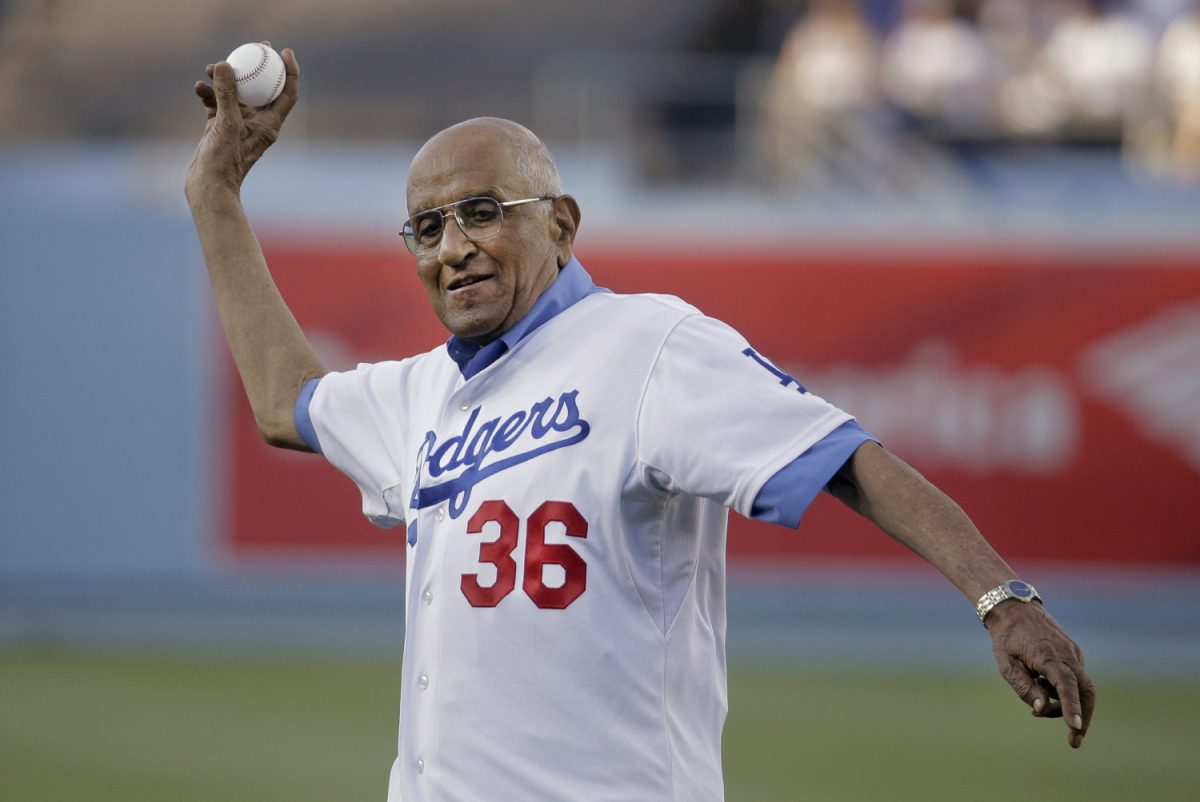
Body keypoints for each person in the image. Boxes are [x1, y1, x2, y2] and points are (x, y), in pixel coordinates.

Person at [186, 48, 1095, 802]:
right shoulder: (426, 393)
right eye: (425, 228)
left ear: (563, 225)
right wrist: (215, 197)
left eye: (481, 213)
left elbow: (846, 458)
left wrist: (1002, 599)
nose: (453, 245)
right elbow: (284, 401)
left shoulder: (649, 343)